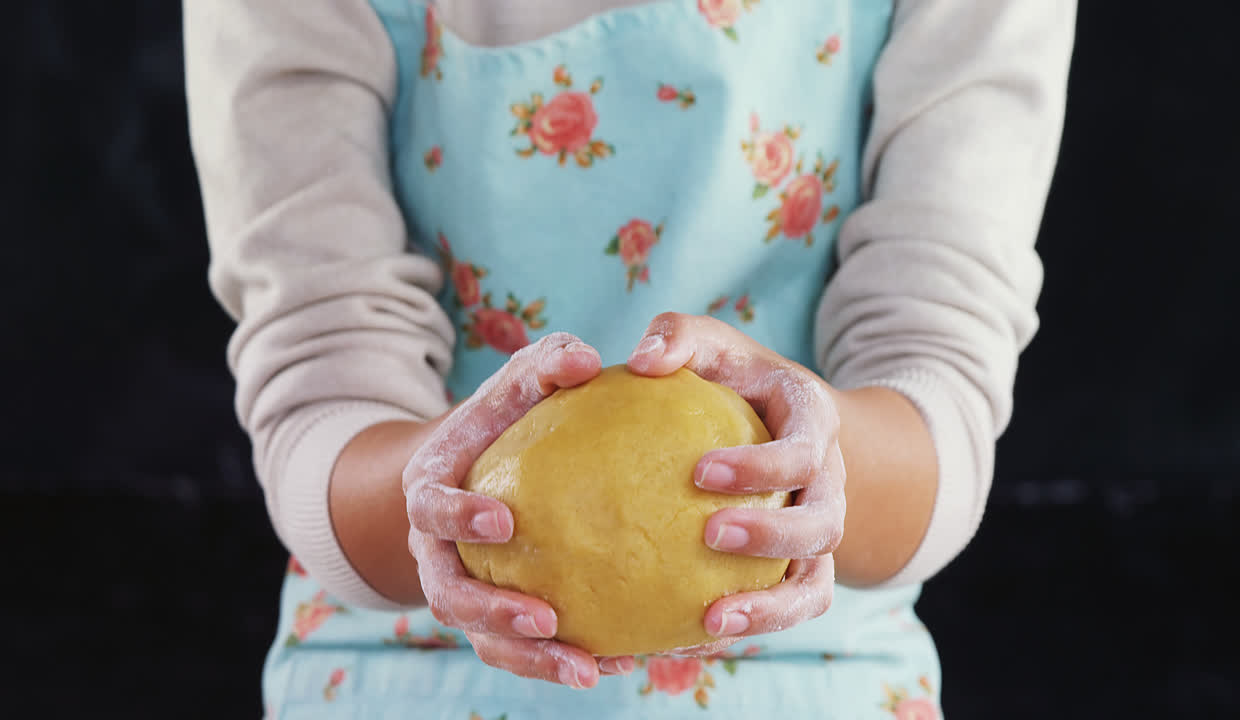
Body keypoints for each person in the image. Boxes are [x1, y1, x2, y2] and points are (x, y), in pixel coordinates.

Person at [185, 0, 1074, 716]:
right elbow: (322, 381)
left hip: (815, 658)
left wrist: (817, 466)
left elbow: (937, 388)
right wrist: (437, 509)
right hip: (400, 660)